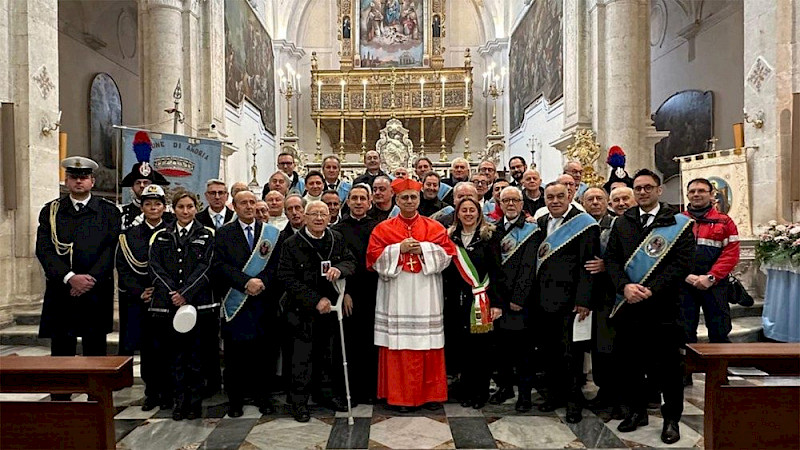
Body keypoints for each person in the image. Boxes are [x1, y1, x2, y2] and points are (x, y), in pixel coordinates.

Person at [605, 169, 694, 444]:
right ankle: (636, 412)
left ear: (659, 190)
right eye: (638, 188)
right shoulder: (622, 223)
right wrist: (625, 287)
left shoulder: (678, 223)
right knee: (630, 365)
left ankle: (671, 419)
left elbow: (682, 264)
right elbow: (612, 261)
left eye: (647, 187)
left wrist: (650, 289)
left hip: (664, 308)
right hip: (629, 307)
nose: (642, 192)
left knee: (668, 368)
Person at [367, 178, 457, 411]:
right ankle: (400, 397)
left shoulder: (433, 227)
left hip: (426, 292)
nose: (409, 201)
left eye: (413, 197)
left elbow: (448, 254)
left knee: (428, 343)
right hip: (396, 293)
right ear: (396, 200)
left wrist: (425, 248)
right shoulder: (383, 228)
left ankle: (430, 395)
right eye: (404, 197)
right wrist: (399, 249)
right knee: (399, 346)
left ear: (419, 199)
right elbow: (373, 258)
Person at [36, 157, 121, 367]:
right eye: (74, 177)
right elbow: (44, 249)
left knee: (96, 353)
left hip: (95, 291)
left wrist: (89, 279)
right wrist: (70, 277)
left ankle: (96, 399)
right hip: (62, 291)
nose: (79, 181)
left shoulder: (108, 211)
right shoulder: (52, 211)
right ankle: (62, 398)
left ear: (92, 181)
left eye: (84, 177)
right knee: (61, 354)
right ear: (66, 181)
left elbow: (112, 249)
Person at [278, 200, 357, 422]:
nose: (320, 218)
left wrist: (339, 270)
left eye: (324, 214)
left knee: (327, 356)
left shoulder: (336, 239)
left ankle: (326, 395)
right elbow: (286, 277)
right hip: (302, 310)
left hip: (331, 309)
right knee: (301, 358)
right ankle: (299, 403)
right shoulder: (292, 243)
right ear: (304, 216)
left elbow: (351, 262)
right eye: (314, 214)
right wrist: (314, 300)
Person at [214, 191, 282, 417]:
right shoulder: (223, 233)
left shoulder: (270, 233)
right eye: (244, 203)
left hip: (264, 303)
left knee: (265, 356)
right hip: (237, 303)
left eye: (252, 202)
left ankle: (264, 397)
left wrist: (261, 281)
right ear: (234, 206)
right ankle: (236, 400)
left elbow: (275, 266)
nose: (249, 207)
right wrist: (245, 282)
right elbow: (220, 266)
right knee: (236, 358)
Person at [535, 182, 599, 423]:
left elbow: (588, 265)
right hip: (544, 300)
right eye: (550, 197)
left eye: (560, 196)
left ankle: (574, 402)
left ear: (570, 196)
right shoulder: (542, 224)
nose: (555, 201)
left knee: (571, 355)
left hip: (571, 301)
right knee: (550, 351)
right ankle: (554, 395)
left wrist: (584, 300)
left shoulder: (584, 225)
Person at [148, 191, 215, 420]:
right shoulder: (161, 236)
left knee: (196, 357)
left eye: (189, 207)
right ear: (173, 209)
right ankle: (179, 401)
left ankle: (194, 402)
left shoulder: (206, 235)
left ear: (196, 208)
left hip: (195, 305)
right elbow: (155, 266)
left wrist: (186, 293)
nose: (185, 212)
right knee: (175, 357)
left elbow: (206, 267)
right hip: (170, 305)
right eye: (180, 207)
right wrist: (172, 293)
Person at [443, 197, 504, 409]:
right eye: (464, 210)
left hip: (482, 299)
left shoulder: (489, 236)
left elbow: (496, 271)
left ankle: (480, 392)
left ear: (479, 213)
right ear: (457, 214)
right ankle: (466, 390)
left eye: (472, 210)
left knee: (482, 349)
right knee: (463, 348)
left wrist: (496, 303)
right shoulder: (451, 237)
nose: (468, 214)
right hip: (458, 302)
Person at [117, 185, 168, 409]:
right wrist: (140, 292)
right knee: (148, 349)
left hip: (167, 300)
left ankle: (169, 392)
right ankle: (152, 392)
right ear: (142, 206)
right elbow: (124, 269)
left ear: (164, 207)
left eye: (157, 204)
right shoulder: (129, 236)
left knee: (169, 346)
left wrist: (162, 291)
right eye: (148, 204)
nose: (153, 208)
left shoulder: (172, 231)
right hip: (142, 301)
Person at [489, 186, 540, 411]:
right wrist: (496, 299)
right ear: (499, 204)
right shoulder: (491, 230)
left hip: (521, 301)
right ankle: (505, 387)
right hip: (497, 300)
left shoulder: (532, 231)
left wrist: (519, 298)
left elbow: (530, 268)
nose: (510, 204)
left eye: (515, 200)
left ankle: (525, 394)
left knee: (523, 351)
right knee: (501, 349)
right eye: (506, 200)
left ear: (522, 204)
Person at [332, 184, 381, 403]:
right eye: (354, 198)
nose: (359, 202)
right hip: (348, 293)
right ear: (348, 202)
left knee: (371, 343)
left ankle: (370, 390)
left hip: (375, 290)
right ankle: (348, 391)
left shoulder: (379, 227)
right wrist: (346, 292)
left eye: (363, 198)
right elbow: (337, 262)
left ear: (370, 202)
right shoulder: (338, 230)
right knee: (349, 344)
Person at [680, 178, 740, 346]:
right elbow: (670, 254)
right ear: (687, 195)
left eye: (701, 191)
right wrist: (685, 275)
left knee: (719, 330)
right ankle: (686, 371)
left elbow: (731, 253)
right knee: (683, 332)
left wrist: (711, 277)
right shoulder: (678, 221)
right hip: (685, 284)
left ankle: (719, 371)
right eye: (692, 191)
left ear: (712, 194)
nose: (696, 194)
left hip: (715, 284)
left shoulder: (724, 221)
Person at [582, 187, 622, 418]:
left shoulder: (618, 224)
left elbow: (626, 256)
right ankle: (603, 392)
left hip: (612, 295)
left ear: (606, 202)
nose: (595, 202)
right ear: (582, 202)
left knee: (611, 348)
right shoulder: (581, 224)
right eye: (590, 199)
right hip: (590, 296)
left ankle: (616, 397)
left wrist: (607, 265)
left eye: (599, 199)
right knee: (597, 349)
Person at [118, 131, 172, 230]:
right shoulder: (122, 212)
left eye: (146, 182)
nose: (142, 186)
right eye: (138, 183)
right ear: (132, 187)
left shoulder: (169, 212)